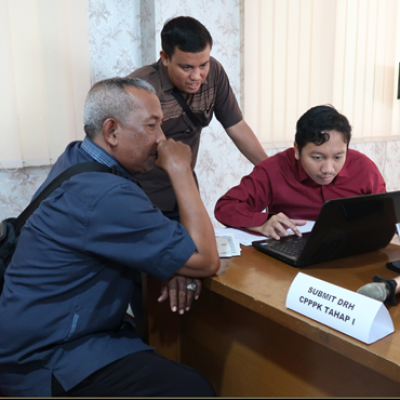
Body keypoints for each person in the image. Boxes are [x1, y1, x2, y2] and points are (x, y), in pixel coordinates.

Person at [0, 77, 220, 397]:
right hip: (46, 358)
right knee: (193, 388)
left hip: (31, 336)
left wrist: (175, 263)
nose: (161, 140)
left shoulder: (77, 158)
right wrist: (180, 169)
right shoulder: (106, 193)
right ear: (112, 131)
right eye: (151, 126)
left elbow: (164, 241)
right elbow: (206, 258)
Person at [127, 16, 268, 221]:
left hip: (185, 191)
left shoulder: (215, 73)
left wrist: (272, 170)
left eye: (203, 65)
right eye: (186, 67)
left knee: (201, 250)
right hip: (142, 196)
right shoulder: (141, 87)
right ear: (165, 58)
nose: (197, 76)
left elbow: (236, 125)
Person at [214, 105, 386, 240]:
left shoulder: (364, 168)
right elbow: (226, 207)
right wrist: (262, 222)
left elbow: (386, 215)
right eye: (318, 158)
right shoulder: (274, 169)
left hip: (351, 251)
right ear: (297, 150)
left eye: (338, 157)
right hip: (291, 251)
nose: (328, 169)